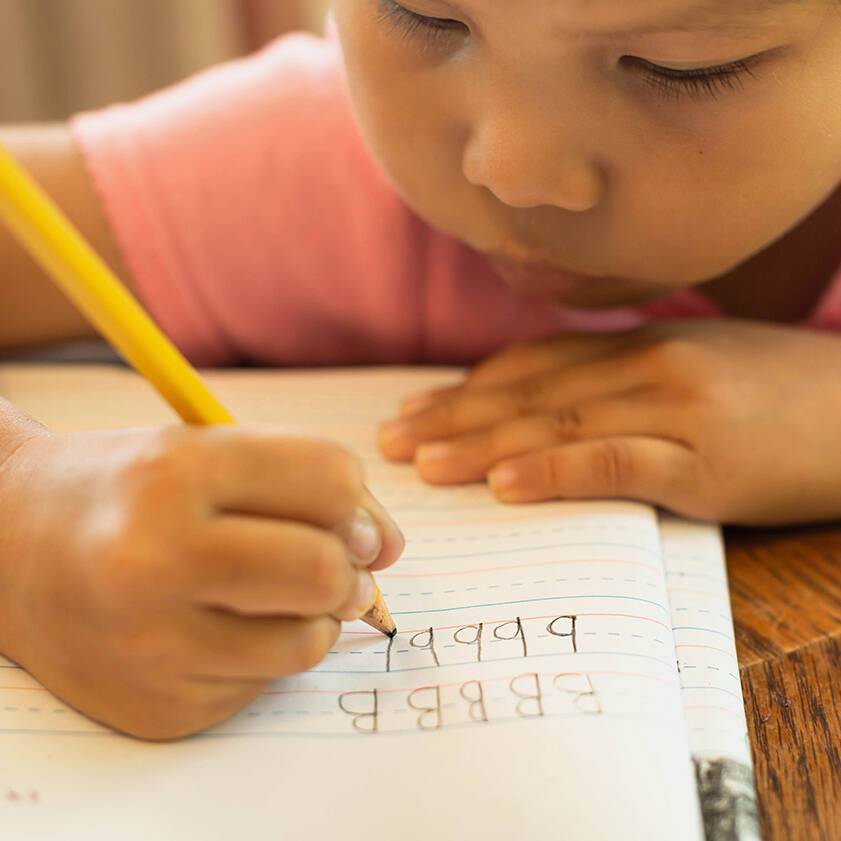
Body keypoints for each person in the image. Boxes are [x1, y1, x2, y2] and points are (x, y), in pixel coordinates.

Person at [2, 0, 841, 739]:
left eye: (681, 68)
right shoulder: (304, 170)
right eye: (423, 15)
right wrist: (15, 508)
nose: (513, 172)